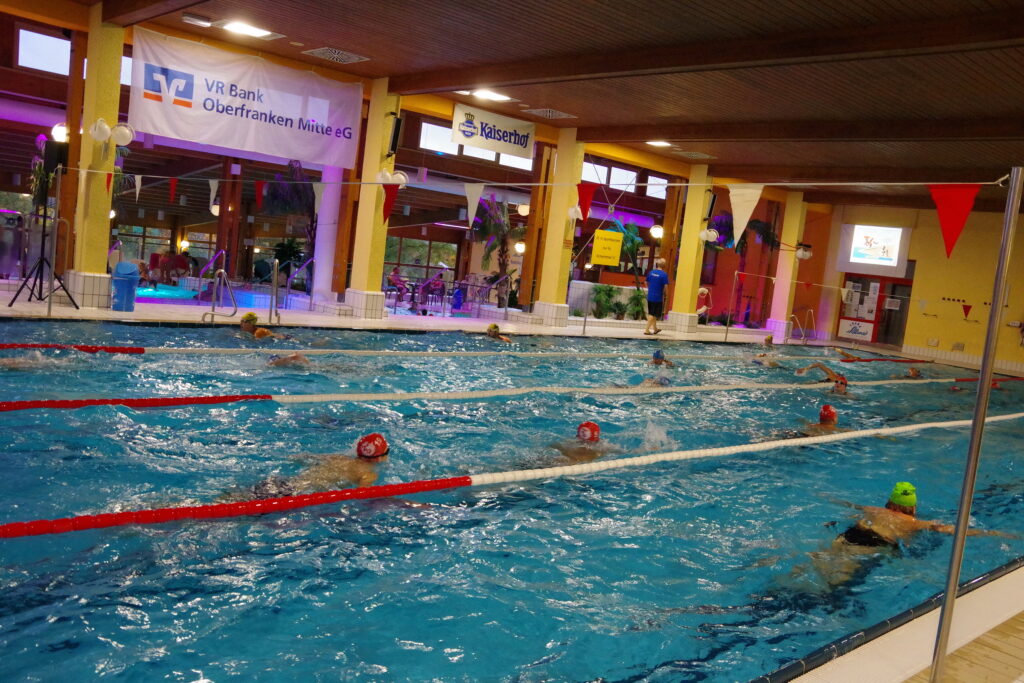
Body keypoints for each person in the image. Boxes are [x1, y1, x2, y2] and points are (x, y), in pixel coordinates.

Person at [810, 482, 1015, 586]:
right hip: (872, 545)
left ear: (890, 503)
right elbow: (952, 530)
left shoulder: (873, 510)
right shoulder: (914, 523)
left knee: (819, 561)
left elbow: (846, 506)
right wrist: (992, 532)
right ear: (913, 507)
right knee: (834, 583)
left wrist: (822, 494)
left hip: (849, 534)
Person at [245, 433, 391, 499]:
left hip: (284, 481)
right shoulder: (368, 474)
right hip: (294, 494)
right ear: (378, 458)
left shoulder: (339, 458)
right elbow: (363, 496)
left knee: (239, 497)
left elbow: (304, 457)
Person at [552, 422, 616, 464]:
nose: (583, 433)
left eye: (585, 431)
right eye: (582, 431)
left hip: (576, 463)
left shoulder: (603, 445)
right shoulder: (573, 441)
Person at [644, 257, 669, 335]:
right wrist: (666, 294)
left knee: (653, 313)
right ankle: (646, 330)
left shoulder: (651, 272)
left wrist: (650, 289)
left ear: (657, 264)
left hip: (650, 296)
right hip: (657, 298)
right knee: (653, 314)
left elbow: (646, 282)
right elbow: (666, 286)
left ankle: (655, 329)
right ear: (664, 265)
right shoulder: (664, 274)